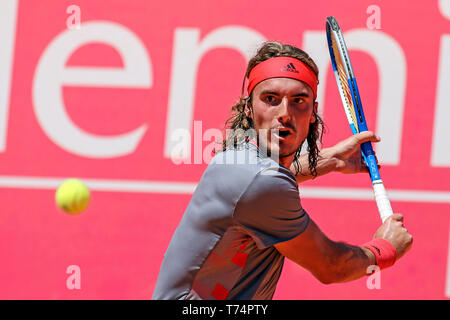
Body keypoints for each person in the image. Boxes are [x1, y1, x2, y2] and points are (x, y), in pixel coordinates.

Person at [152, 41, 413, 300]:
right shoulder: (262, 184)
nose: (284, 113)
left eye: (298, 100)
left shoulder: (236, 162)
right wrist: (386, 248)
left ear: (313, 112)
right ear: (249, 107)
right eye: (270, 99)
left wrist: (328, 160)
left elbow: (261, 184)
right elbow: (331, 266)